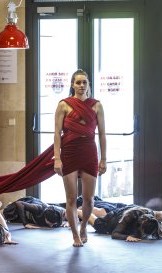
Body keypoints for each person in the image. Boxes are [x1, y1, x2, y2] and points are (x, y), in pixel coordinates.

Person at [53, 69, 107, 247]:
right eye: (78, 82)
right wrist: (57, 158)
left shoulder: (97, 105)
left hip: (89, 152)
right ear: (72, 85)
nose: (82, 85)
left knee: (89, 199)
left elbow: (102, 135)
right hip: (69, 152)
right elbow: (56, 133)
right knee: (71, 198)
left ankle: (84, 226)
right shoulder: (63, 105)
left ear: (88, 84)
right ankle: (75, 234)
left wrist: (104, 159)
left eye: (85, 82)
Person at [79, 205, 162, 242]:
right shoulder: (129, 218)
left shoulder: (156, 215)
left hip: (128, 209)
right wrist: (127, 237)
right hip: (113, 220)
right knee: (98, 223)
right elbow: (115, 234)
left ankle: (97, 209)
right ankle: (78, 211)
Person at [2, 196, 66, 229]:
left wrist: (68, 223)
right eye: (50, 223)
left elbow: (73, 213)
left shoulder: (59, 216)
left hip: (29, 216)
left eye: (53, 224)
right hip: (22, 206)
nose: (51, 226)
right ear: (45, 217)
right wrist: (25, 224)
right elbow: (19, 204)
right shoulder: (39, 208)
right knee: (3, 215)